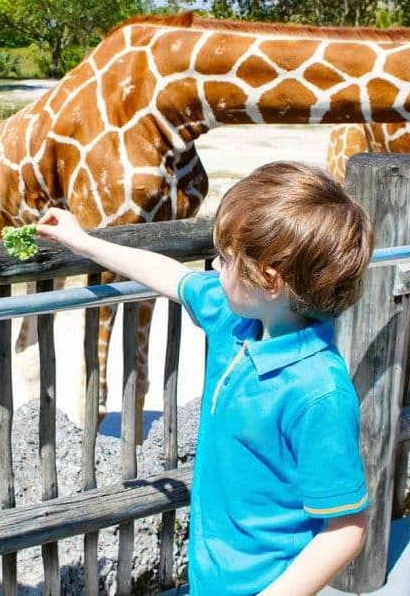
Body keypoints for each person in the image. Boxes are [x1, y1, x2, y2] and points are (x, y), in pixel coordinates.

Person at [37, 161, 372, 595]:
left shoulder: (318, 392)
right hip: (209, 578)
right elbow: (171, 276)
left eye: (227, 260)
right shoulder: (237, 319)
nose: (215, 265)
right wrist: (82, 242)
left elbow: (347, 526)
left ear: (269, 279)